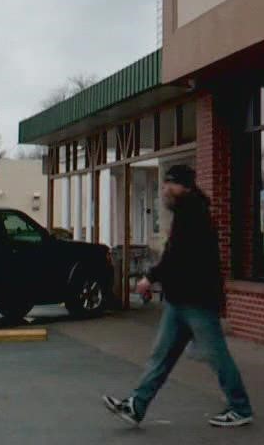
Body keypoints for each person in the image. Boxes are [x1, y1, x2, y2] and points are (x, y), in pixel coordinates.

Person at [104, 163, 254, 429]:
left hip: (197, 300)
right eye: (164, 184)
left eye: (169, 184)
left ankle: (240, 407)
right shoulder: (186, 212)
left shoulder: (193, 214)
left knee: (216, 355)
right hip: (180, 300)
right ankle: (136, 406)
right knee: (161, 356)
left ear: (184, 186)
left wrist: (150, 277)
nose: (165, 189)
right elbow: (176, 256)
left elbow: (178, 256)